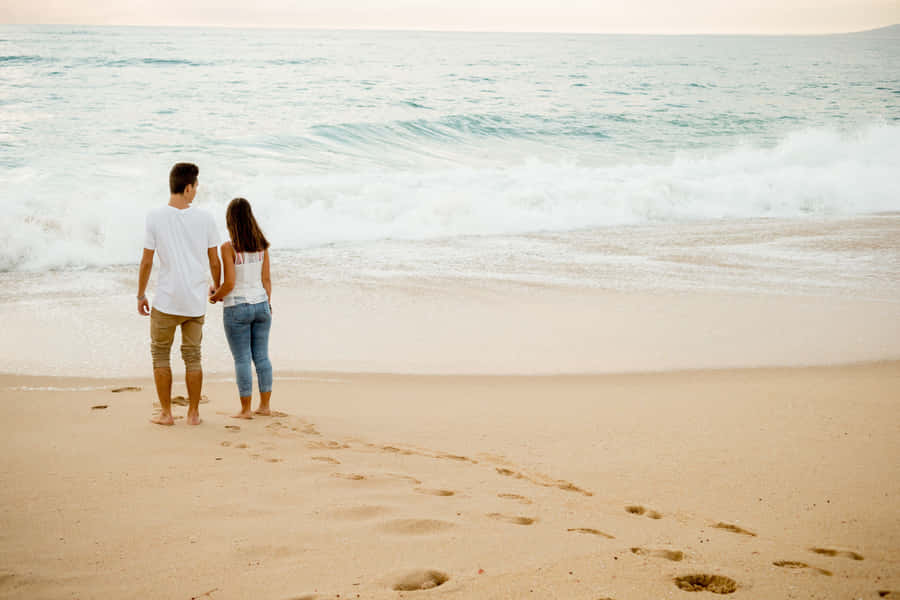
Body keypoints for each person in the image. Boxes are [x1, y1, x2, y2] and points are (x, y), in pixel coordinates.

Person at [137, 163, 220, 426]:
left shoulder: (154, 216)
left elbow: (147, 261)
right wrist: (216, 286)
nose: (196, 192)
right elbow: (214, 260)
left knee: (160, 354)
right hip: (194, 302)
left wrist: (140, 295)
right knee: (193, 355)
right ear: (187, 187)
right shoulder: (205, 218)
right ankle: (193, 414)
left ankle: (166, 413)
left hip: (166, 300)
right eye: (195, 187)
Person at [209, 198, 273, 418]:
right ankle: (264, 406)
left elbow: (229, 284)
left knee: (243, 359)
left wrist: (215, 297)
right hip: (262, 305)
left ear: (230, 221)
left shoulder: (229, 248)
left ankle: (246, 409)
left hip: (237, 307)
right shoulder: (262, 245)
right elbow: (266, 280)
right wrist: (268, 304)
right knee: (262, 358)